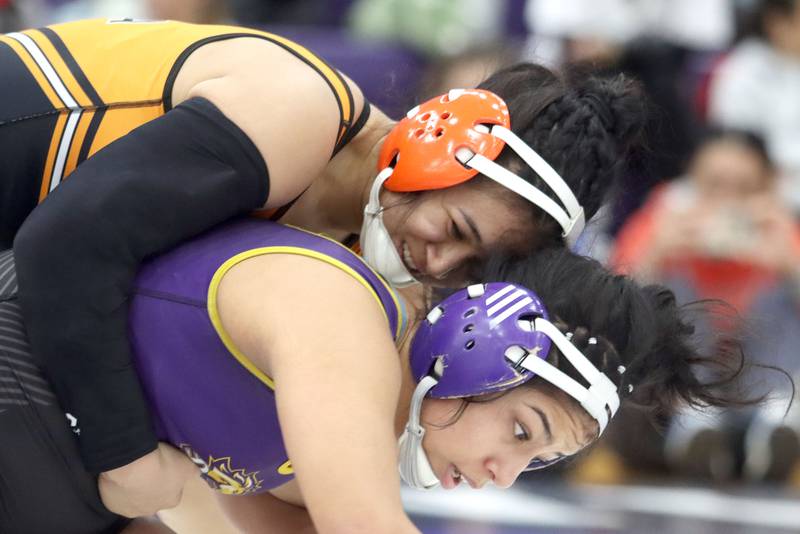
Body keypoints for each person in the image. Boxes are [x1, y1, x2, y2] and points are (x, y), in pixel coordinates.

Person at [1, 16, 647, 511]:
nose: (437, 260)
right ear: (434, 140)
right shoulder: (294, 112)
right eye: (454, 226)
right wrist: (127, 455)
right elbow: (63, 247)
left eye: (467, 264)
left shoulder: (355, 252)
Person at [0, 215, 751, 533]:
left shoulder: (349, 431)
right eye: (523, 430)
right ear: (475, 339)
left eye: (539, 459)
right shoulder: (342, 320)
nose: (503, 474)